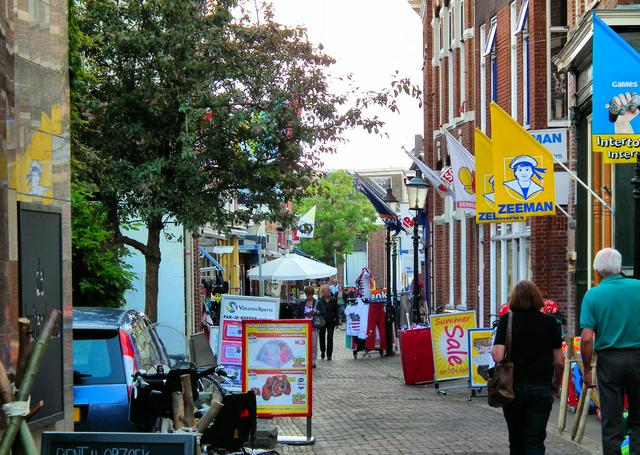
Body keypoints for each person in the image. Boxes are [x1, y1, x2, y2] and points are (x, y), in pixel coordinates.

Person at [579, 248, 640, 455]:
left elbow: (587, 339)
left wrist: (587, 370)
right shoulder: (638, 287)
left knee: (611, 421)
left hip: (609, 361)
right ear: (620, 266)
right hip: (637, 358)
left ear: (596, 270)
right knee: (638, 420)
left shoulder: (592, 295)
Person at [492, 280, 563, 454]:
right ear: (537, 298)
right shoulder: (550, 322)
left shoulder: (507, 320)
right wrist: (557, 384)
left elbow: (498, 355)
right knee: (536, 440)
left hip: (512, 388)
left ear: (514, 298)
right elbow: (559, 361)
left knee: (516, 439)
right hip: (541, 387)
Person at [296, 286, 326, 368]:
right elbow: (298, 314)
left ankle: (313, 360)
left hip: (314, 326)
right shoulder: (302, 303)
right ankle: (304, 359)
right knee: (303, 344)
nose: (308, 296)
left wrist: (318, 311)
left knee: (313, 344)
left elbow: (324, 312)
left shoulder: (317, 302)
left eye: (310, 294)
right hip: (303, 327)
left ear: (312, 294)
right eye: (307, 294)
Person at [318, 285, 338, 361]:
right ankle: (323, 351)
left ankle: (329, 355)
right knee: (322, 336)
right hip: (322, 321)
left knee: (330, 337)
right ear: (322, 292)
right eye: (326, 291)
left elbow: (336, 311)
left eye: (328, 291)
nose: (327, 292)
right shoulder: (320, 301)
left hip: (331, 321)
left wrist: (337, 322)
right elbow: (318, 311)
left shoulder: (333, 300)